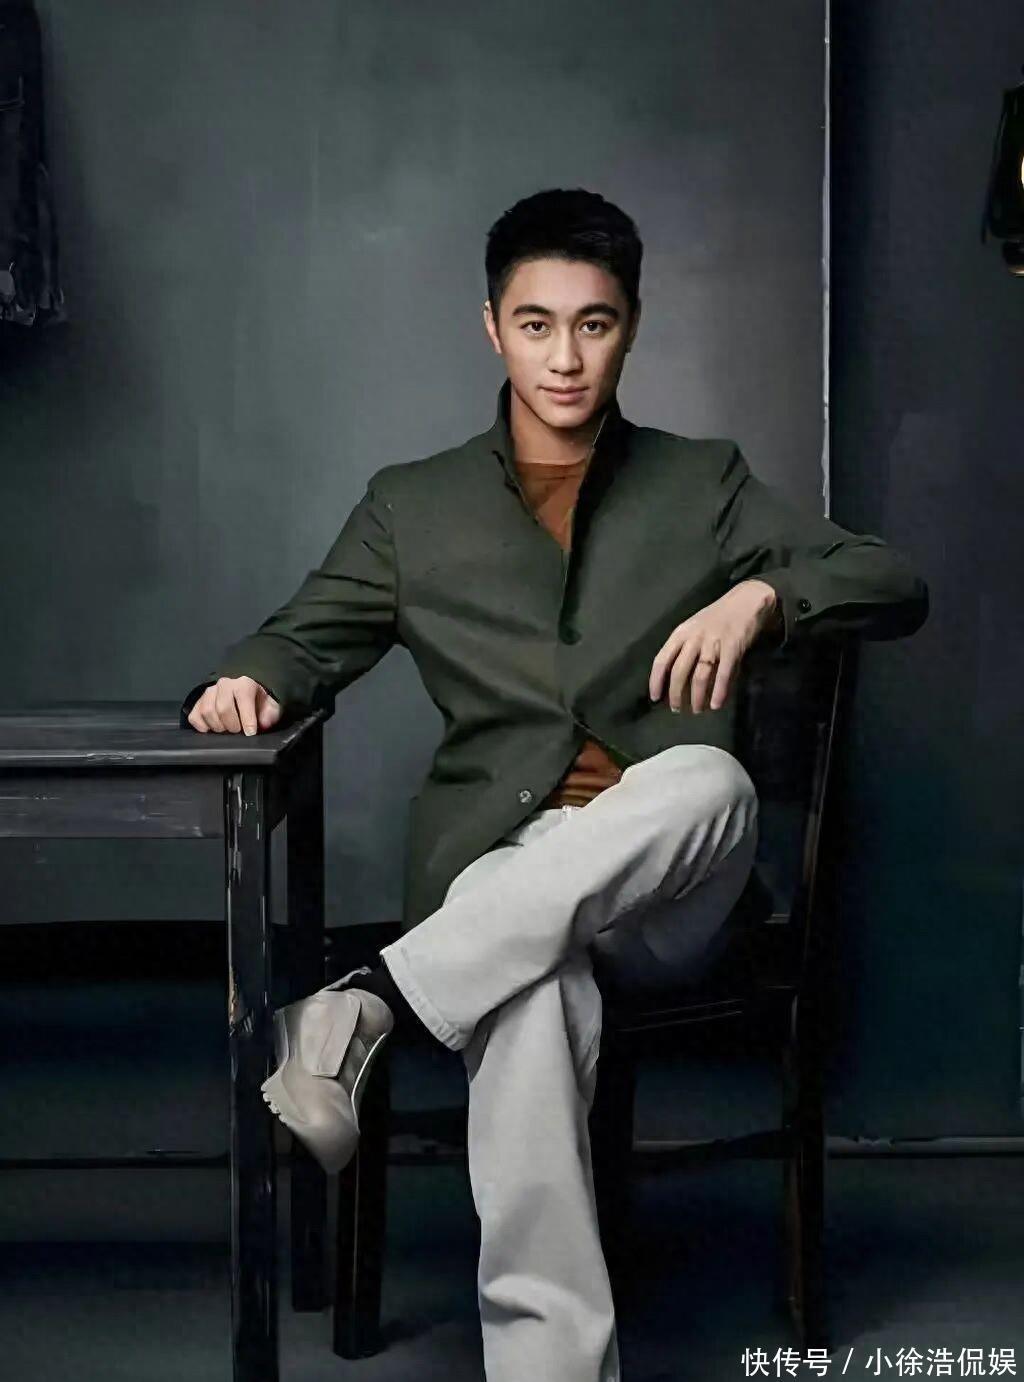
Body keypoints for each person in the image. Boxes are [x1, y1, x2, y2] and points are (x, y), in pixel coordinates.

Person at [180, 188, 929, 1382]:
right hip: (500, 877)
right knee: (531, 989)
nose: (565, 357)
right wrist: (246, 682)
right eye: (535, 324)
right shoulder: (410, 505)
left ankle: (367, 1000)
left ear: (630, 326)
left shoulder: (702, 482)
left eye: (593, 323)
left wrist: (762, 596)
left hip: (668, 895)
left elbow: (889, 579)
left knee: (708, 777)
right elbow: (299, 638)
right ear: (491, 327)